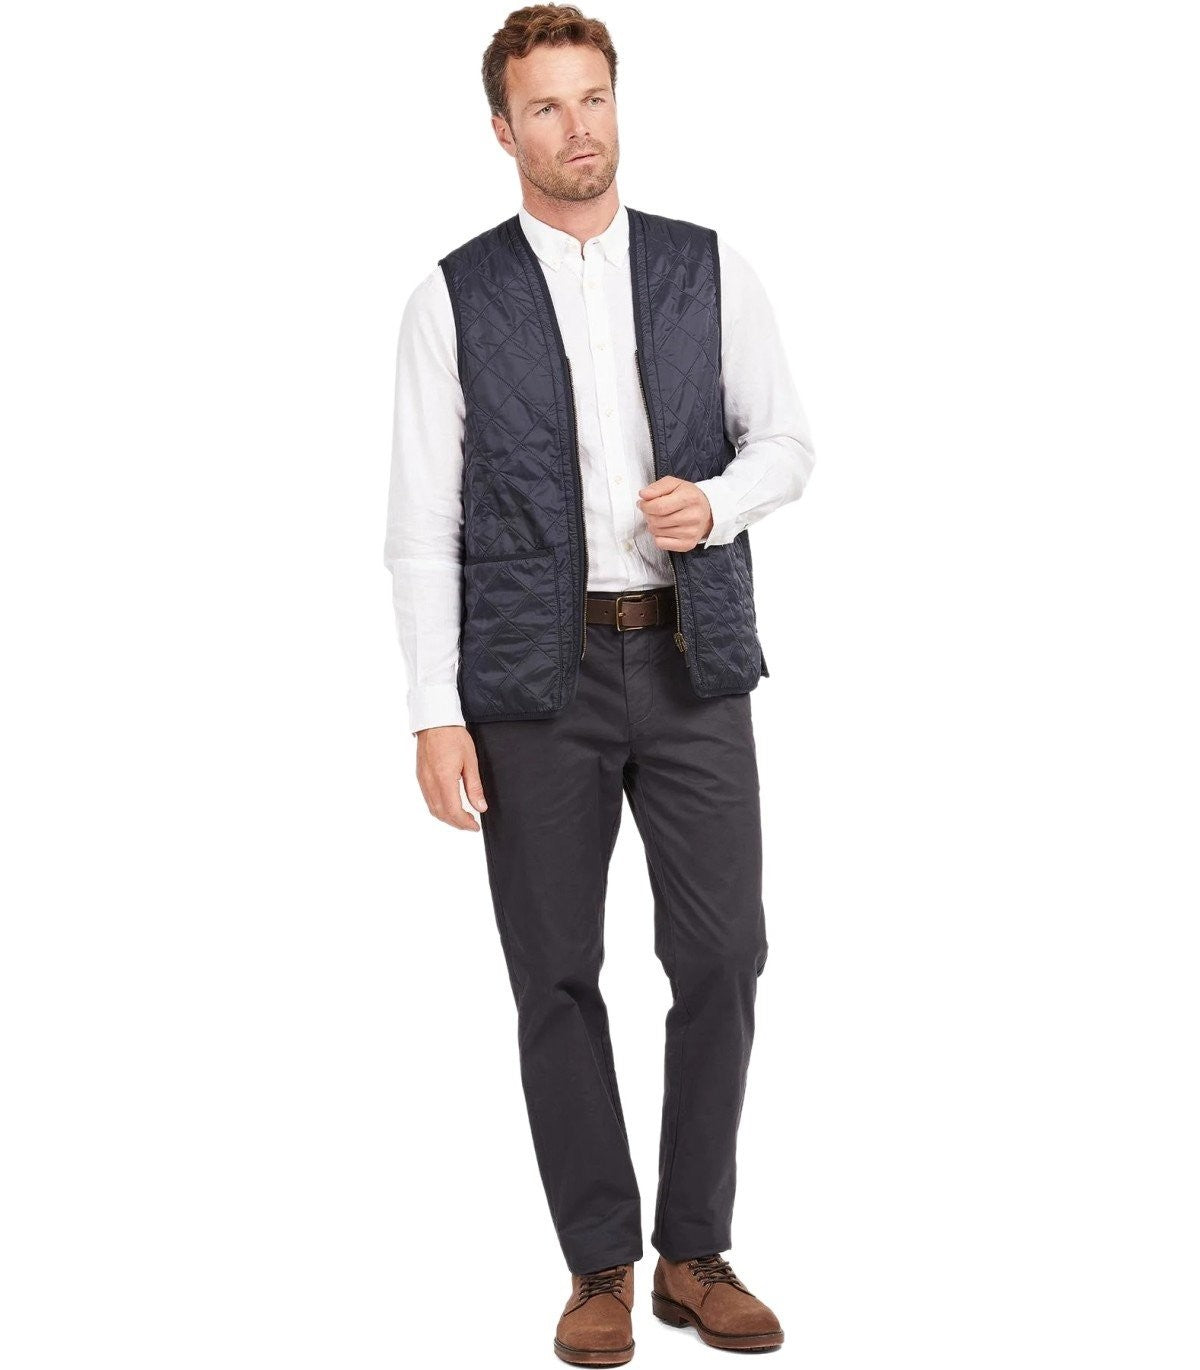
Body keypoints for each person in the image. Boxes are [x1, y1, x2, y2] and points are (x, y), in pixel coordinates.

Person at [383, 5, 816, 1362]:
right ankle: (599, 1265)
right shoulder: (450, 298)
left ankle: (695, 1251)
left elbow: (787, 443)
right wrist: (433, 711)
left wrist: (719, 504)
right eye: (548, 107)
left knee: (724, 953)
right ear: (502, 129)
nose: (580, 128)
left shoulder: (707, 267)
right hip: (532, 677)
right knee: (555, 971)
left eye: (595, 98)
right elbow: (421, 524)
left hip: (693, 654)